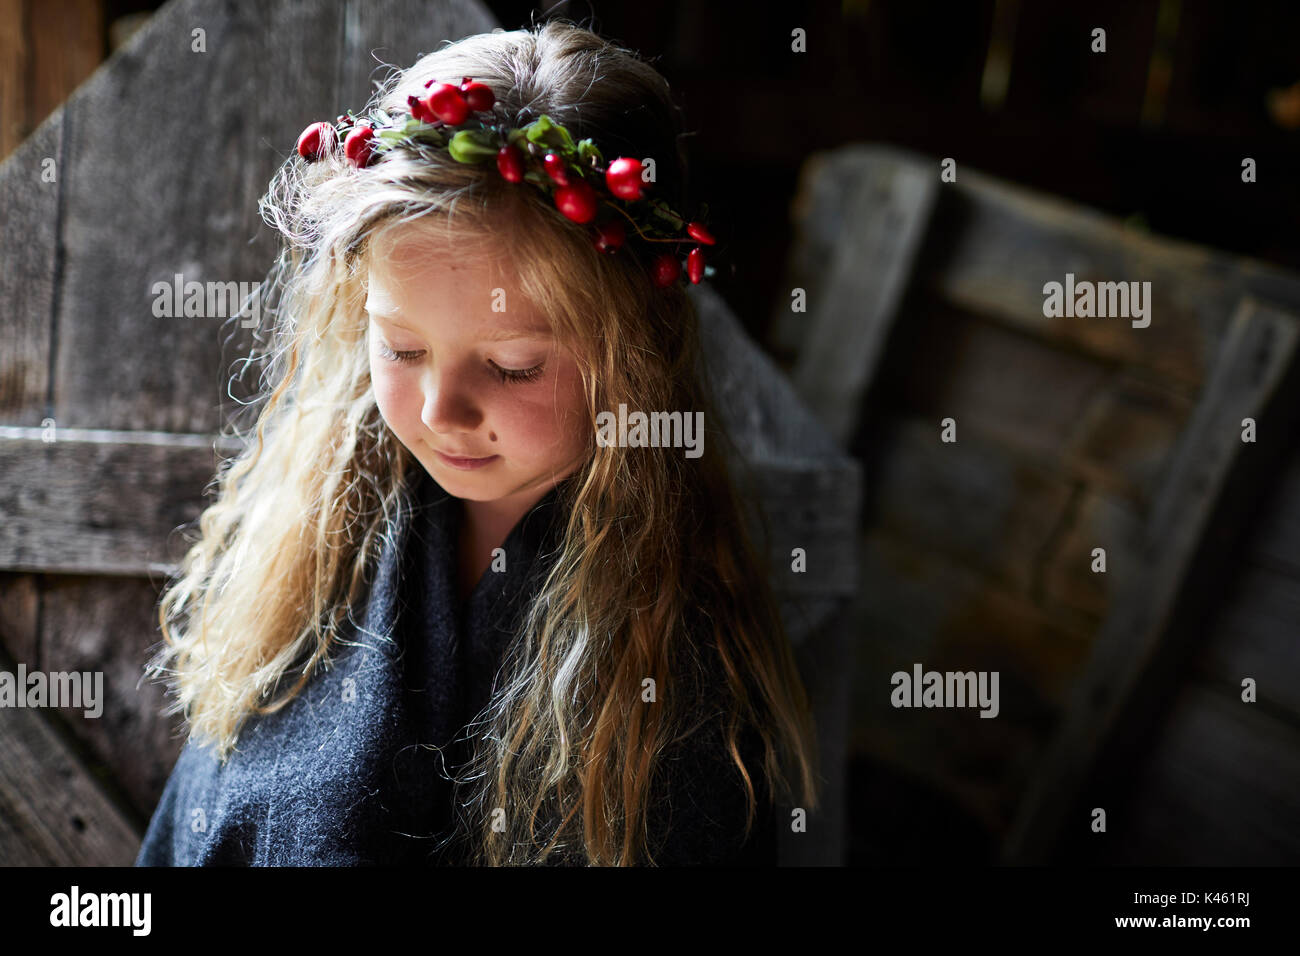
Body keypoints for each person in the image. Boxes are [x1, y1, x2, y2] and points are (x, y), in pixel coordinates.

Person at [135, 18, 819, 867]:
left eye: (512, 365)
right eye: (402, 348)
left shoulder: (679, 686)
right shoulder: (310, 554)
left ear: (633, 356)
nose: (442, 406)